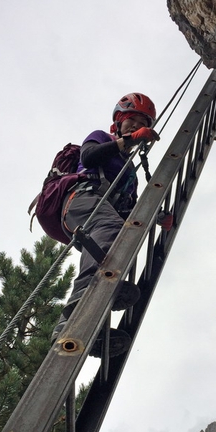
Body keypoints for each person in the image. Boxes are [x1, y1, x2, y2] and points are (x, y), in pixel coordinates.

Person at [52, 93, 166, 356]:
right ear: (119, 122)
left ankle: (91, 327)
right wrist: (125, 142)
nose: (136, 126)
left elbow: (131, 212)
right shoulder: (102, 138)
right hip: (82, 199)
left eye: (141, 123)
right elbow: (89, 157)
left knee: (114, 252)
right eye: (131, 121)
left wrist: (159, 218)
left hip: (100, 214)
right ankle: (81, 305)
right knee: (111, 232)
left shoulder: (129, 173)